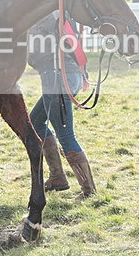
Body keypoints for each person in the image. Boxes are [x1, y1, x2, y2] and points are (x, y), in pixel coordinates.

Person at [28, 11, 95, 198]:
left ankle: (89, 190)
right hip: (67, 75)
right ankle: (58, 177)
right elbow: (73, 40)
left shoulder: (43, 12)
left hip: (56, 76)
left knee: (65, 135)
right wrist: (83, 71)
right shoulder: (60, 10)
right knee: (35, 122)